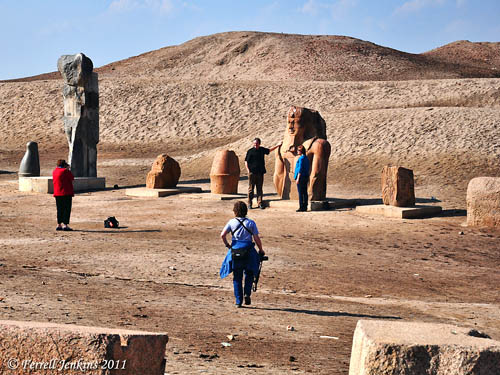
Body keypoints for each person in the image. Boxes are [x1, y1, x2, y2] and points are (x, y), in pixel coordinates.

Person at [220, 201, 265, 308]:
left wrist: (228, 245)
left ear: (235, 211)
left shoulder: (231, 222)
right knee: (249, 274)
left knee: (237, 277)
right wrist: (261, 250)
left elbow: (222, 235)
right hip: (248, 252)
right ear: (246, 211)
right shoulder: (251, 223)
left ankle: (238, 301)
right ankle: (247, 293)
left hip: (236, 252)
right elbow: (256, 238)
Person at [245, 138, 281, 209]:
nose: (255, 145)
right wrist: (248, 170)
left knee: (259, 188)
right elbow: (246, 161)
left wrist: (278, 145)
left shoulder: (262, 150)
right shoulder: (250, 151)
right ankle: (249, 203)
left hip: (260, 172)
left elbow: (269, 150)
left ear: (259, 143)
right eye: (254, 143)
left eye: (257, 143)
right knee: (251, 189)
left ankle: (260, 203)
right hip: (252, 172)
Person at [53, 159, 74, 231]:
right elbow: (72, 178)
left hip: (57, 193)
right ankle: (65, 224)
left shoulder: (54, 171)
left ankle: (59, 224)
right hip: (66, 193)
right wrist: (68, 169)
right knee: (66, 209)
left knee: (59, 209)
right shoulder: (65, 171)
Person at [294, 145, 310, 212]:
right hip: (305, 176)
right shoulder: (306, 158)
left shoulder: (301, 158)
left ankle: (301, 206)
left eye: (298, 150)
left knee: (301, 193)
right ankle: (305, 206)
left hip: (301, 177)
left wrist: (298, 178)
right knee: (305, 192)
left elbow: (300, 168)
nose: (297, 151)